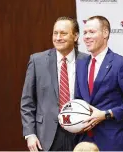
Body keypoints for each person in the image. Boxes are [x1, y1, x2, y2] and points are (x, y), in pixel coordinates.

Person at [75, 15, 123, 151]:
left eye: (92, 32)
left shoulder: (121, 64)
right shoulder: (81, 64)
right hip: (84, 141)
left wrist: (106, 114)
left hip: (112, 141)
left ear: (105, 33)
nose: (86, 37)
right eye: (85, 33)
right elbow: (78, 99)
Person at [20, 16, 87, 151]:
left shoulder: (87, 61)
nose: (58, 38)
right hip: (46, 136)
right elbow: (27, 102)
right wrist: (30, 134)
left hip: (80, 134)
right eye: (55, 33)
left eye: (63, 33)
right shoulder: (37, 61)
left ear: (75, 36)